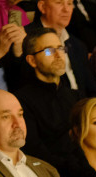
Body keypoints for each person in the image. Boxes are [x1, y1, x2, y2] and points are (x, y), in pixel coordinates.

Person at [15, 27, 80, 167]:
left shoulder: (75, 96)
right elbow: (36, 152)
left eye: (60, 48)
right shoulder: (22, 101)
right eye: (49, 50)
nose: (58, 55)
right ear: (32, 60)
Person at [26, 0, 96, 96]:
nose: (66, 9)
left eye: (69, 3)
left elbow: (91, 89)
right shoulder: (25, 38)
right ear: (42, 6)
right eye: (59, 3)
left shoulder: (78, 45)